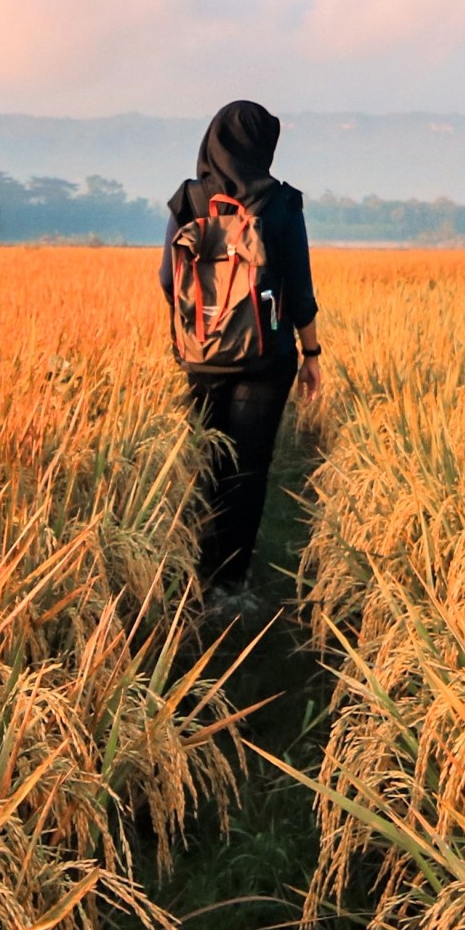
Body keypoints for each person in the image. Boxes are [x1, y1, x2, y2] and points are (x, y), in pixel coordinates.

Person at [159, 101, 322, 613]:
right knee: (247, 470)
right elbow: (299, 285)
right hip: (264, 359)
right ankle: (230, 583)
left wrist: (199, 324)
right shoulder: (280, 203)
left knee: (204, 462)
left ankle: (191, 573)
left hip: (200, 357)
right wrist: (311, 351)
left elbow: (168, 280)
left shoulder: (189, 198)